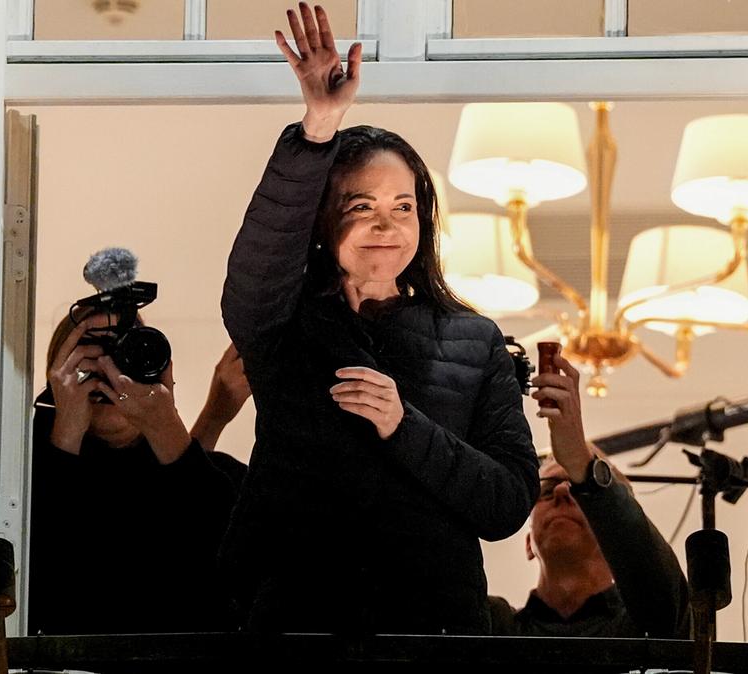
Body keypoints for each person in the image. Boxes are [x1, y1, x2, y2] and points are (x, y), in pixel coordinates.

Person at [219, 3, 539, 635]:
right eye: (361, 205)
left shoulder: (475, 341)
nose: (385, 225)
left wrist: (404, 425)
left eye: (403, 206)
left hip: (435, 635)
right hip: (297, 628)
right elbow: (259, 263)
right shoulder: (281, 322)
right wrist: (318, 128)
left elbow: (505, 504)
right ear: (322, 219)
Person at [27, 307, 247, 635]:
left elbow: (229, 567)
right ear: (59, 377)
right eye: (89, 357)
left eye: (123, 354)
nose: (108, 371)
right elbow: (40, 579)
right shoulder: (14, 476)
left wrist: (166, 425)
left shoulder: (213, 476)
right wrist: (65, 431)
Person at [488, 352, 691, 638]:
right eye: (547, 490)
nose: (561, 491)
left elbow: (666, 604)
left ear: (613, 538)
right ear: (529, 543)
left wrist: (581, 462)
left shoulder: (647, 626)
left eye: (577, 487)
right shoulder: (493, 628)